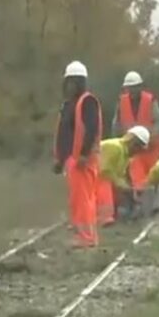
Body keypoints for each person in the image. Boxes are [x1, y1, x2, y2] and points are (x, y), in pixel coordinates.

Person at [53, 61, 103, 248]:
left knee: (83, 200)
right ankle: (82, 235)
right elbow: (64, 133)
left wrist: (83, 154)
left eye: (75, 81)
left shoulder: (87, 101)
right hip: (71, 160)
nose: (71, 85)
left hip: (83, 160)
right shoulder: (68, 105)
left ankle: (87, 238)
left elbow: (91, 129)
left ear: (81, 82)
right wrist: (60, 159)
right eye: (69, 81)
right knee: (77, 200)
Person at [111, 71, 159, 213]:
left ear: (140, 87)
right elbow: (116, 124)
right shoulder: (121, 102)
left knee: (154, 175)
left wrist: (151, 138)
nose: (132, 90)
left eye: (135, 87)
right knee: (137, 176)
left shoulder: (150, 100)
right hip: (134, 149)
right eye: (129, 87)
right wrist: (118, 142)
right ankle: (142, 205)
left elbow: (158, 122)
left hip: (151, 147)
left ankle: (155, 203)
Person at [96, 126, 151, 226]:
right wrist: (121, 184)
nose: (138, 151)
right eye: (138, 146)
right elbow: (104, 170)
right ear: (132, 141)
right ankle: (104, 217)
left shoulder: (125, 155)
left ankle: (113, 214)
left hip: (97, 177)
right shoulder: (115, 147)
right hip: (88, 175)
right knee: (106, 184)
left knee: (118, 188)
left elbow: (119, 175)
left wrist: (128, 188)